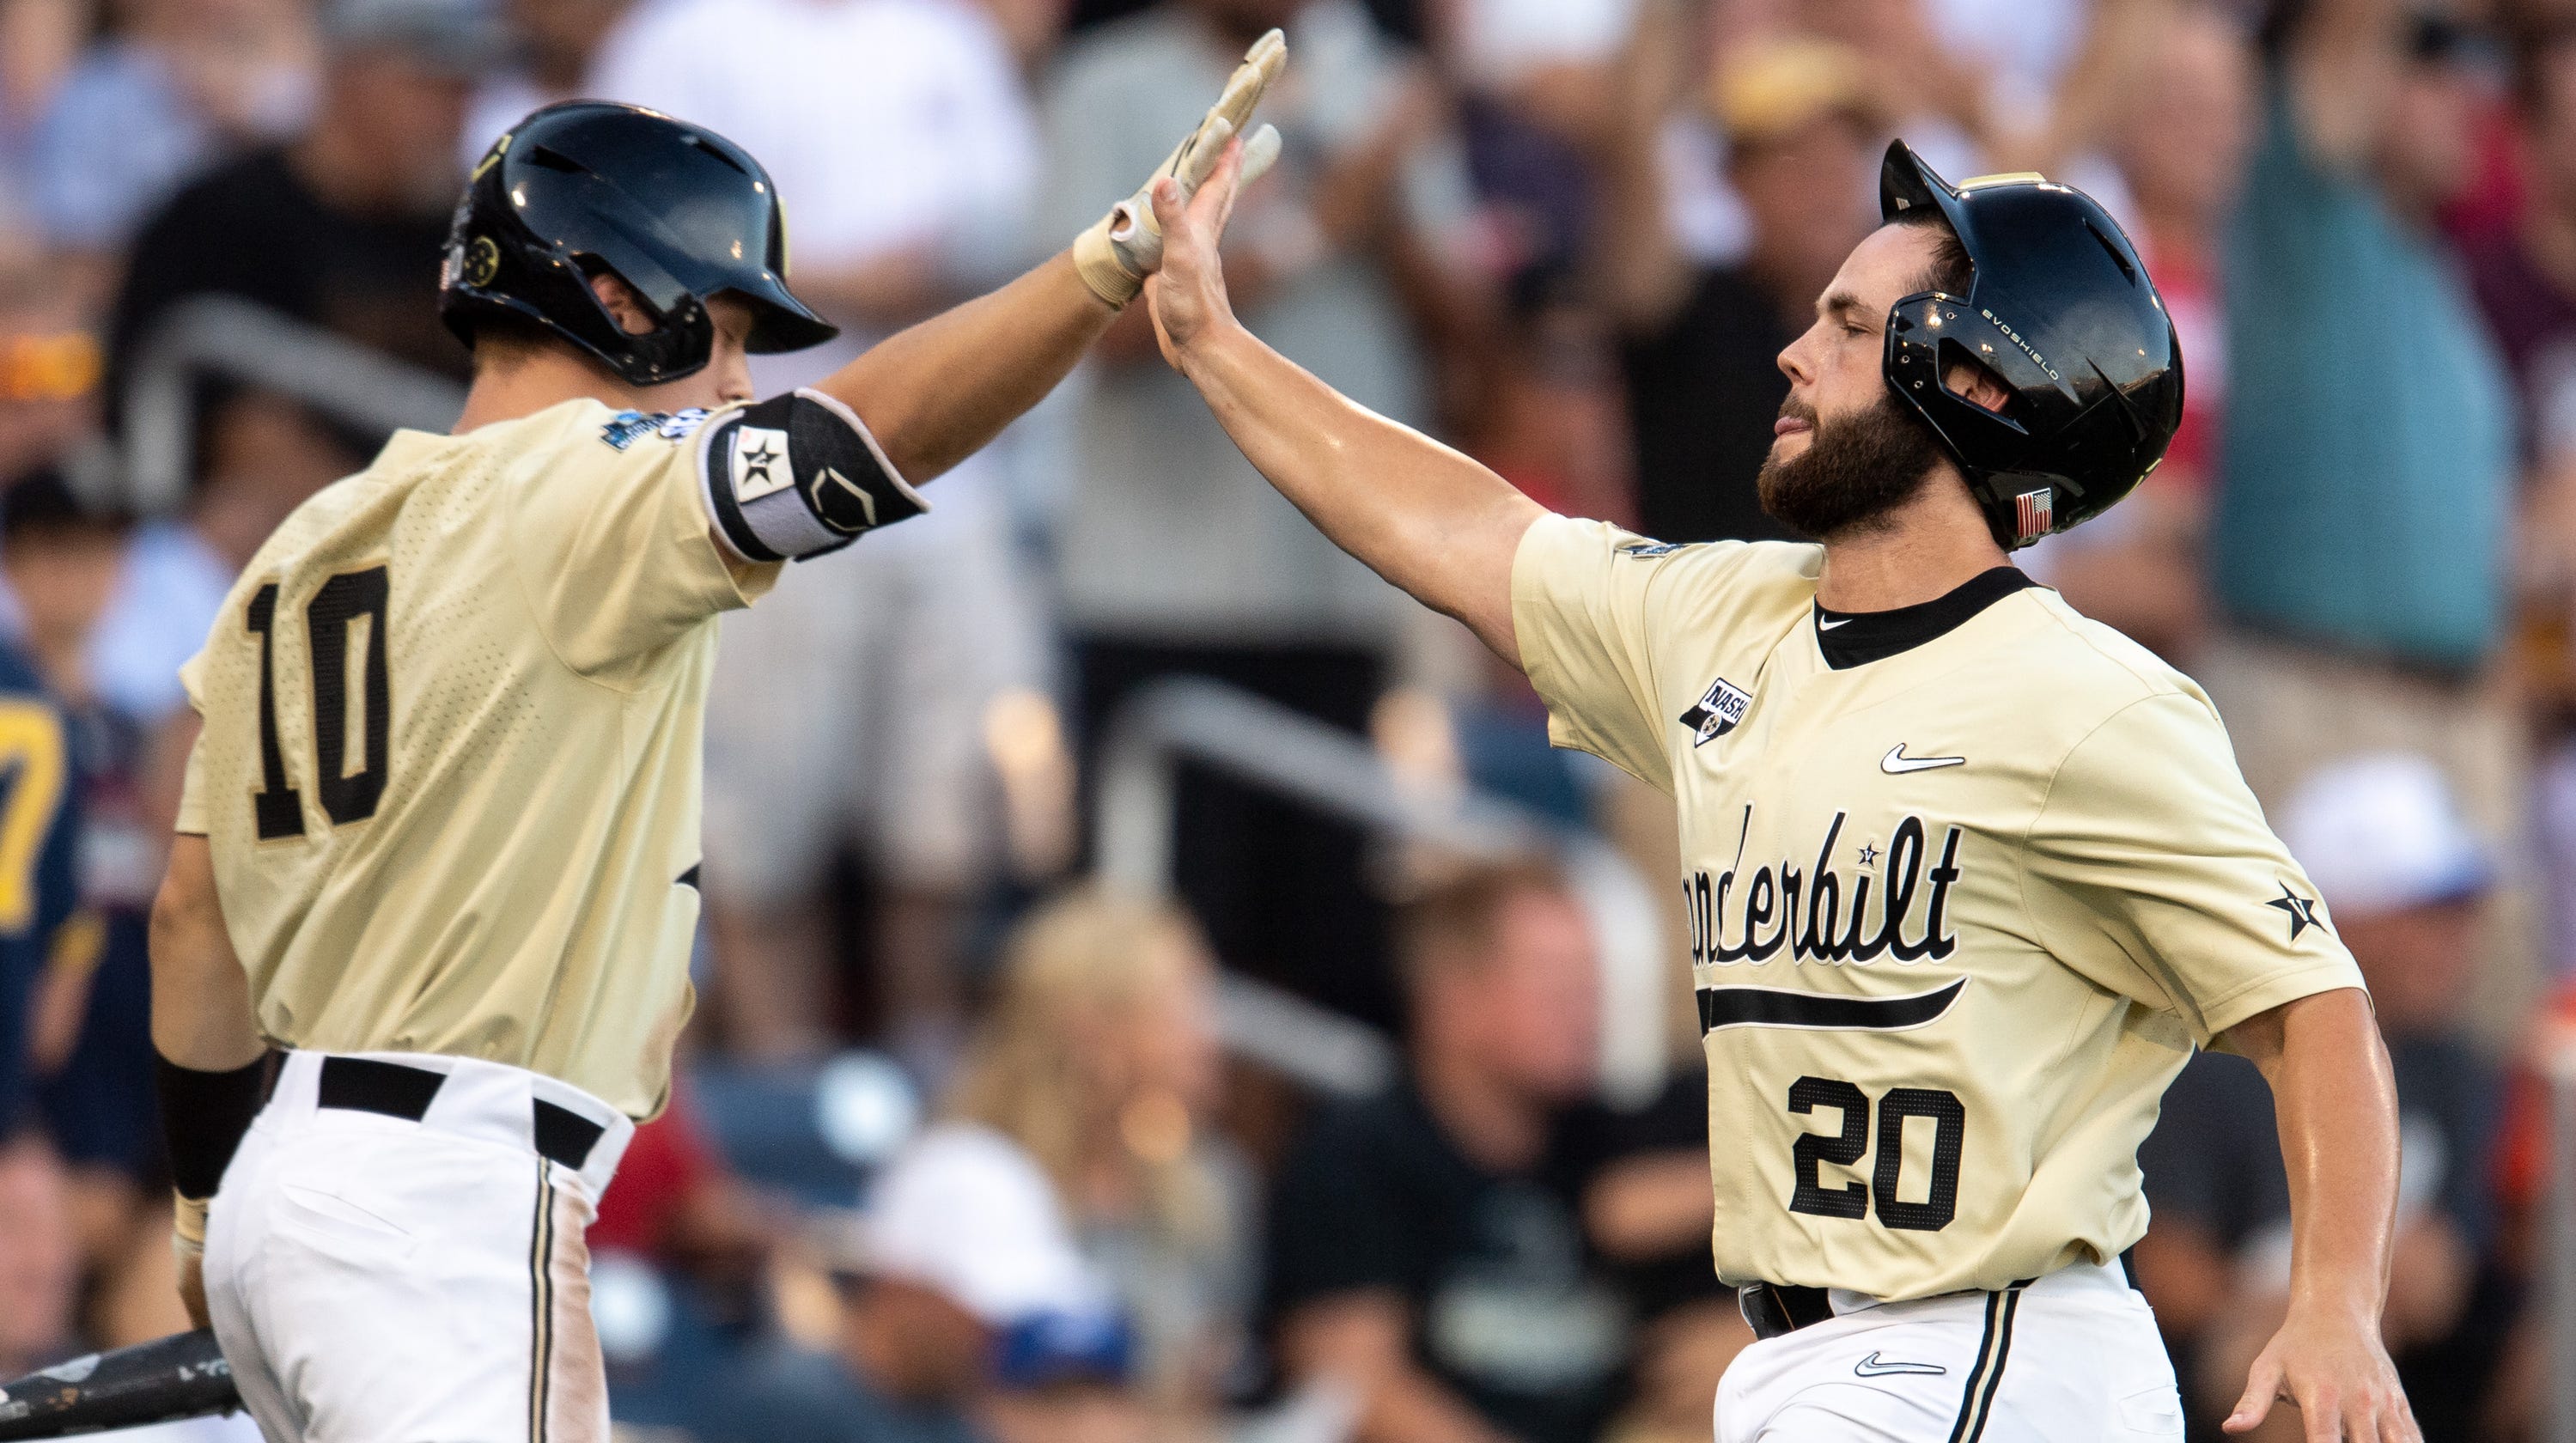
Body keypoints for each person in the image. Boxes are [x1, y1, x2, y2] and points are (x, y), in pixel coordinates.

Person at [1142, 126, 2420, 1438]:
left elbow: (2310, 1009)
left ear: (1973, 384)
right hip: (1812, 1365)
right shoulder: (1719, 619)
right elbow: (1453, 523)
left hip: (1982, 1351)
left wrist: (2331, 1301)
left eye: (1848, 324)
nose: (1793, 352)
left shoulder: (2088, 701)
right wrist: (1213, 341)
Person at [147, 54, 1285, 1441]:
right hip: (446, 1199)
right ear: (616, 301)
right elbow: (870, 434)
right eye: (728, 332)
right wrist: (1107, 262)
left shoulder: (303, 548)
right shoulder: (580, 486)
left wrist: (211, 1213)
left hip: (293, 1180)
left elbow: (194, 922)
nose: (743, 379)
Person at [591, 0, 1051, 1068]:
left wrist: (882, 283)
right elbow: (636, 252)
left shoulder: (946, 39)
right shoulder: (678, 37)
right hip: (755, 470)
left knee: (943, 827)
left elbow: (1018, 239)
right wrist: (846, 286)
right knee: (758, 830)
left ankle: (922, 1083)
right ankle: (784, 1100)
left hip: (949, 484)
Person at [1039, 0, 1491, 1031]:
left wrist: (1381, 213)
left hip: (1339, 589)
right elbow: (1084, 332)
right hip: (1154, 597)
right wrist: (1317, 221)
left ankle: (1279, 1193)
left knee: (1325, 970)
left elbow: (1473, 342)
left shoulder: (1380, 80)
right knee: (1141, 969)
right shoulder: (1105, 86)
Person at [2139, 752, 2509, 1440]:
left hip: (2422, 1372)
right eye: (2429, 911)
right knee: (2298, 1365)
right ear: (2350, 917)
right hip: (2218, 1390)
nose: (2459, 937)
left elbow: (2442, 1276)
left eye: (2461, 911)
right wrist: (2319, 1311)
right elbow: (2171, 1275)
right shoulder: (2210, 1063)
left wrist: (2349, 1308)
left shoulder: (2455, 1069)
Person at [1265, 860, 1628, 1443]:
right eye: (1554, 982)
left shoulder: (1612, 1141)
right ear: (1451, 998)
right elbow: (1348, 1387)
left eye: (1590, 982)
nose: (1586, 1008)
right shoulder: (1355, 1156)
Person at [942, 887, 1252, 1412]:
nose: (1208, 1038)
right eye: (1181, 1010)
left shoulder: (1212, 1186)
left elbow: (1210, 1384)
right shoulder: (967, 1183)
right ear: (1091, 1032)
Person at [1600, 30, 1881, 547]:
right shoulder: (1687, 315)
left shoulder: (1903, 322)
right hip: (1700, 611)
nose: (1827, 182)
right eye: (1797, 160)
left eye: (1843, 154)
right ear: (1735, 177)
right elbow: (1635, 138)